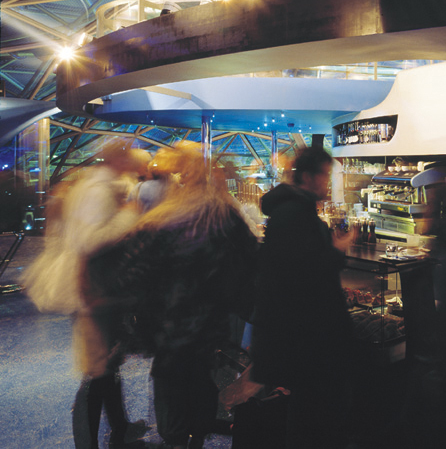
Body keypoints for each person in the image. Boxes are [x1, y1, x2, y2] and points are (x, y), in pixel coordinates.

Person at [108, 142, 258, 449]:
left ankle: (180, 437)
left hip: (170, 327)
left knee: (174, 392)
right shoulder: (221, 214)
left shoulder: (166, 216)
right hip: (204, 326)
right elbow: (250, 260)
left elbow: (131, 269)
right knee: (196, 387)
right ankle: (192, 435)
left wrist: (136, 320)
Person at [23, 140, 149, 449]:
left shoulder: (100, 185)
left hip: (98, 290)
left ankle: (119, 428)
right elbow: (88, 241)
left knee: (107, 365)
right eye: (127, 157)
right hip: (93, 292)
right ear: (118, 160)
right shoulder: (98, 190)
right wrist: (127, 216)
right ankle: (88, 440)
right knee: (97, 370)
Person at [249, 146, 356, 449]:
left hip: (301, 333)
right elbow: (304, 274)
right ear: (308, 177)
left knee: (307, 407)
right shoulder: (294, 214)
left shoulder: (293, 210)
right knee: (312, 410)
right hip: (305, 335)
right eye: (325, 175)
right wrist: (337, 250)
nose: (327, 182)